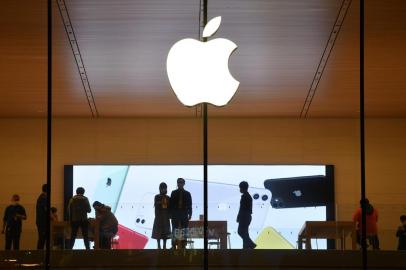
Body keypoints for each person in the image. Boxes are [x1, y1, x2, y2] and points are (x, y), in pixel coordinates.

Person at [169, 178, 192, 249]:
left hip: (184, 213)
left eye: (181, 183)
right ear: (177, 183)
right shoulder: (173, 193)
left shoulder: (187, 194)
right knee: (174, 229)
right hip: (175, 213)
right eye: (179, 182)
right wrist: (170, 214)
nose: (180, 184)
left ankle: (184, 244)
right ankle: (173, 244)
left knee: (184, 229)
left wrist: (190, 213)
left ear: (184, 184)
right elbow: (171, 204)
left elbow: (189, 205)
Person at [237, 181, 256, 249]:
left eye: (240, 188)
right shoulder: (248, 196)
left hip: (244, 216)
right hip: (247, 216)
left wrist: (239, 216)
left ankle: (251, 244)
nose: (240, 189)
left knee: (240, 231)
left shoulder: (245, 196)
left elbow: (242, 208)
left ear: (242, 188)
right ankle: (245, 247)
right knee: (245, 232)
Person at [152, 182, 171, 249]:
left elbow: (170, 207)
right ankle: (159, 245)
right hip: (159, 216)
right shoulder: (157, 196)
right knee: (158, 232)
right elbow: (156, 206)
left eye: (165, 188)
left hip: (165, 216)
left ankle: (164, 245)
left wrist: (169, 215)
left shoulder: (168, 197)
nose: (164, 190)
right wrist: (161, 202)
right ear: (160, 189)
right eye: (162, 188)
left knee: (165, 231)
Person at [36, 184, 47, 249]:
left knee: (42, 239)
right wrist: (52, 217)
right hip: (42, 222)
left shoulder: (42, 197)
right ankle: (39, 255)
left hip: (41, 221)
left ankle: (40, 254)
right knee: (42, 239)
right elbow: (46, 209)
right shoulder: (43, 197)